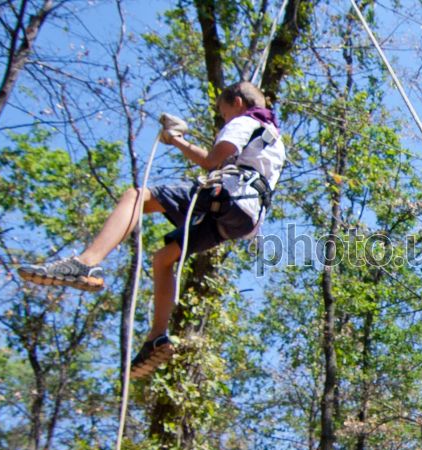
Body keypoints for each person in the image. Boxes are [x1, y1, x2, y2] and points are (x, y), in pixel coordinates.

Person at [18, 81, 285, 379]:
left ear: (237, 103)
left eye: (224, 114)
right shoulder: (272, 136)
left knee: (136, 196)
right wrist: (180, 140)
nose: (225, 120)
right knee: (163, 258)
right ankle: (157, 336)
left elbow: (212, 161)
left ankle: (86, 263)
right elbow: (226, 164)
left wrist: (177, 140)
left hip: (227, 196)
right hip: (243, 218)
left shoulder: (245, 121)